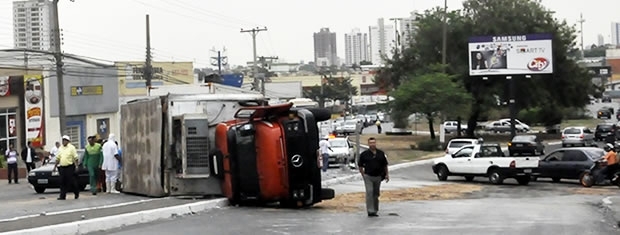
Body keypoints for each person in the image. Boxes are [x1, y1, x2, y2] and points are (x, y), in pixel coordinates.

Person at [358, 137, 389, 217]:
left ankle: (375, 209)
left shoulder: (380, 153)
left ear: (376, 143)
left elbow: (385, 165)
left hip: (378, 176)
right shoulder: (364, 154)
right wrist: (363, 174)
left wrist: (387, 174)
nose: (372, 144)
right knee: (369, 192)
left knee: (375, 194)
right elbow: (360, 165)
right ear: (368, 144)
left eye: (373, 143)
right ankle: (370, 210)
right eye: (371, 143)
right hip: (368, 176)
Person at [53, 135, 80, 200]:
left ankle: (76, 192)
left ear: (68, 141)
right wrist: (55, 167)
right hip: (62, 167)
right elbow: (58, 158)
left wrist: (76, 166)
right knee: (62, 181)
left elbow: (75, 157)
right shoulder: (60, 148)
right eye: (63, 140)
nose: (64, 142)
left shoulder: (71, 147)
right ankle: (62, 196)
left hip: (70, 167)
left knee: (71, 181)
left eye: (65, 140)